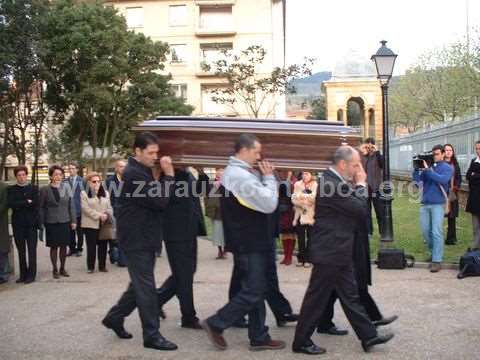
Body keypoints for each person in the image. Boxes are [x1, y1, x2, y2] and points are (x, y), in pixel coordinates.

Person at [292, 146, 394, 355]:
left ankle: (368, 336)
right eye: (356, 165)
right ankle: (301, 341)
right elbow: (360, 209)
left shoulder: (335, 181)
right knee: (316, 299)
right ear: (343, 164)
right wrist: (361, 183)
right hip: (330, 251)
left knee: (351, 296)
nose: (359, 169)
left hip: (337, 250)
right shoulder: (332, 184)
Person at [201, 133, 285, 352]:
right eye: (257, 151)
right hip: (249, 241)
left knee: (256, 287)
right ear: (244, 151)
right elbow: (267, 203)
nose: (260, 156)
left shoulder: (242, 172)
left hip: (251, 239)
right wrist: (268, 178)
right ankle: (216, 322)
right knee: (254, 289)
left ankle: (259, 336)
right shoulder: (240, 175)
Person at [102, 132, 178, 351]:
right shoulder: (134, 173)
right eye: (151, 152)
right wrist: (170, 175)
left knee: (139, 284)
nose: (155, 156)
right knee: (145, 286)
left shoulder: (142, 171)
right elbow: (160, 201)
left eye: (157, 152)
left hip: (144, 236)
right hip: (137, 239)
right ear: (137, 151)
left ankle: (114, 317)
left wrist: (159, 175)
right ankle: (151, 335)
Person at [316, 195, 398, 336]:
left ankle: (324, 323)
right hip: (344, 245)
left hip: (352, 241)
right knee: (352, 287)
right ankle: (370, 327)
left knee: (335, 289)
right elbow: (358, 209)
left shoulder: (347, 186)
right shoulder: (340, 187)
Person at [154, 166, 208, 330]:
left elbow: (201, 191)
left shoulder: (185, 173)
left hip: (189, 230)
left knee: (186, 272)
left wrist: (201, 173)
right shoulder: (167, 176)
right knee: (184, 275)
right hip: (176, 233)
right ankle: (188, 317)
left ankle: (156, 301)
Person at [413, 144, 453, 273]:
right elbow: (418, 182)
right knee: (426, 232)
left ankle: (437, 260)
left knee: (436, 232)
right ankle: (434, 252)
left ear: (442, 154)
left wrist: (429, 170)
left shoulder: (447, 167)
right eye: (433, 154)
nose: (434, 156)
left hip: (438, 204)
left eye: (436, 154)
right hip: (425, 204)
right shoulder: (428, 168)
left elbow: (442, 180)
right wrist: (416, 168)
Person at [39, 165, 77, 279]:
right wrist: (41, 222)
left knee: (64, 246)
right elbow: (41, 207)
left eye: (60, 174)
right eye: (56, 174)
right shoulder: (44, 189)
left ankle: (62, 268)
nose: (58, 176)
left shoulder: (67, 187)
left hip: (65, 221)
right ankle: (55, 269)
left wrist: (73, 220)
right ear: (51, 176)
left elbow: (71, 206)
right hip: (51, 222)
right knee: (54, 247)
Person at [7, 166, 39, 284]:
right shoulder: (11, 189)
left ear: (27, 175)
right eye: (19, 175)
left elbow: (36, 203)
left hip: (31, 225)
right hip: (18, 225)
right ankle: (23, 274)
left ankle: (31, 275)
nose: (21, 177)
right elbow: (11, 204)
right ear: (16, 177)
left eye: (23, 174)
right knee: (21, 251)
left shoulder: (34, 188)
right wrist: (26, 202)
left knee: (32, 250)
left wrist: (21, 204)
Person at [81, 172, 114, 273]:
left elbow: (109, 207)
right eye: (94, 181)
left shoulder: (106, 193)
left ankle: (102, 266)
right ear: (89, 183)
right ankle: (90, 267)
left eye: (99, 181)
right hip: (90, 224)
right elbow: (85, 208)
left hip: (103, 223)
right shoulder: (84, 193)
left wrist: (107, 215)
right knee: (91, 247)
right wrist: (100, 215)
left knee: (103, 246)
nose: (97, 183)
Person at [359, 138, 385, 237]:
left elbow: (383, 164)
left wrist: (377, 151)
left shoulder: (377, 156)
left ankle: (383, 232)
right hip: (365, 189)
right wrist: (362, 151)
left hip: (376, 188)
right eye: (367, 146)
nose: (369, 148)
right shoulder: (362, 157)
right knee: (366, 213)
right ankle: (369, 232)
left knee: (380, 212)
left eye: (371, 146)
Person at [291, 171, 317, 267]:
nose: (304, 175)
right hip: (300, 214)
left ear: (311, 175)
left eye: (307, 173)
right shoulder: (297, 184)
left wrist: (301, 196)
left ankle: (308, 259)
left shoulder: (315, 184)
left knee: (310, 239)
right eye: (303, 173)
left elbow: (314, 198)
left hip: (311, 215)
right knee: (301, 238)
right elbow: (294, 198)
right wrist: (302, 201)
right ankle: (301, 258)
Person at [105, 159, 127, 266]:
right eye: (121, 166)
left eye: (125, 166)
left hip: (127, 213)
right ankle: (113, 252)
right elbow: (107, 198)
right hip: (114, 212)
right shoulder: (109, 181)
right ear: (116, 168)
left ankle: (122, 259)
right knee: (114, 236)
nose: (124, 168)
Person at [204, 168, 227, 259]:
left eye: (221, 170)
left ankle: (225, 250)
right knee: (217, 233)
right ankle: (220, 251)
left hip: (225, 212)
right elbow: (207, 196)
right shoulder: (211, 184)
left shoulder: (228, 184)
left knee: (226, 232)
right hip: (215, 212)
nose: (219, 172)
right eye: (218, 170)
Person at [444, 144, 462, 245]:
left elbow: (459, 178)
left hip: (452, 192)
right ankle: (435, 237)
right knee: (439, 215)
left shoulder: (455, 164)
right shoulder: (440, 163)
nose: (448, 152)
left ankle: (451, 239)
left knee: (452, 216)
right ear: (443, 152)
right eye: (446, 150)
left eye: (450, 150)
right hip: (441, 192)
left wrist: (456, 187)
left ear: (453, 152)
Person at [67, 163, 85, 256]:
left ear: (77, 169)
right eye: (69, 169)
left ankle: (79, 249)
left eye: (73, 168)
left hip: (79, 209)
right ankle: (72, 248)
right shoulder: (65, 181)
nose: (71, 170)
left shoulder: (82, 181)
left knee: (80, 231)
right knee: (70, 231)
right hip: (68, 210)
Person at [279, 172, 296, 265]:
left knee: (290, 233)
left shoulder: (295, 181)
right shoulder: (280, 180)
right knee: (284, 234)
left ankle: (289, 257)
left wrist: (289, 179)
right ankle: (286, 256)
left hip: (291, 210)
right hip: (282, 210)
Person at [466, 140, 480, 250]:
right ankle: (475, 248)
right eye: (476, 149)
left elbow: (472, 176)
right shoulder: (473, 161)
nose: (478, 151)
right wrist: (474, 176)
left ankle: (475, 247)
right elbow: (467, 176)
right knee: (475, 226)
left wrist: (474, 175)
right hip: (475, 198)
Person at [0, 180, 10, 284]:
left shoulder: (3, 187)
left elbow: (5, 204)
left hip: (1, 223)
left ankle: (3, 274)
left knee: (2, 250)